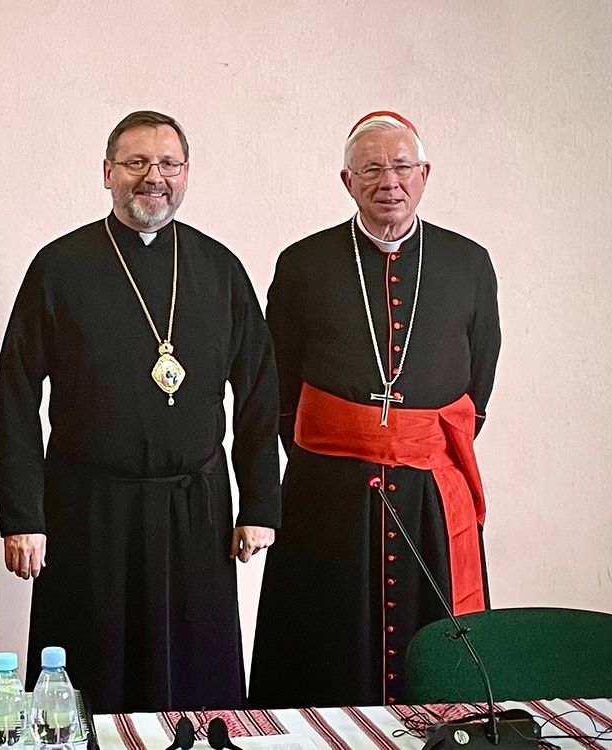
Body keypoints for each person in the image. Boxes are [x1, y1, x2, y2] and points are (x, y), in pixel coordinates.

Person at [0, 110, 281, 714]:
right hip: (87, 511)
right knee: (88, 682)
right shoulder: (60, 266)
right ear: (107, 173)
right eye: (136, 163)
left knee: (195, 689)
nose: (154, 177)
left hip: (194, 514)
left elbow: (259, 390)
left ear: (186, 173)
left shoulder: (219, 268)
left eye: (168, 164)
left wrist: (259, 505)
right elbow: (15, 393)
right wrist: (23, 516)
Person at [249, 111, 501, 708]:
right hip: (327, 492)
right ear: (347, 181)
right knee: (322, 647)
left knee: (437, 655)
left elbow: (479, 380)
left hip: (428, 493)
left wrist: (411, 442)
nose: (389, 181)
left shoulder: (468, 263)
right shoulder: (303, 263)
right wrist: (340, 447)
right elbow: (277, 380)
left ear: (424, 174)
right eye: (371, 169)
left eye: (402, 166)